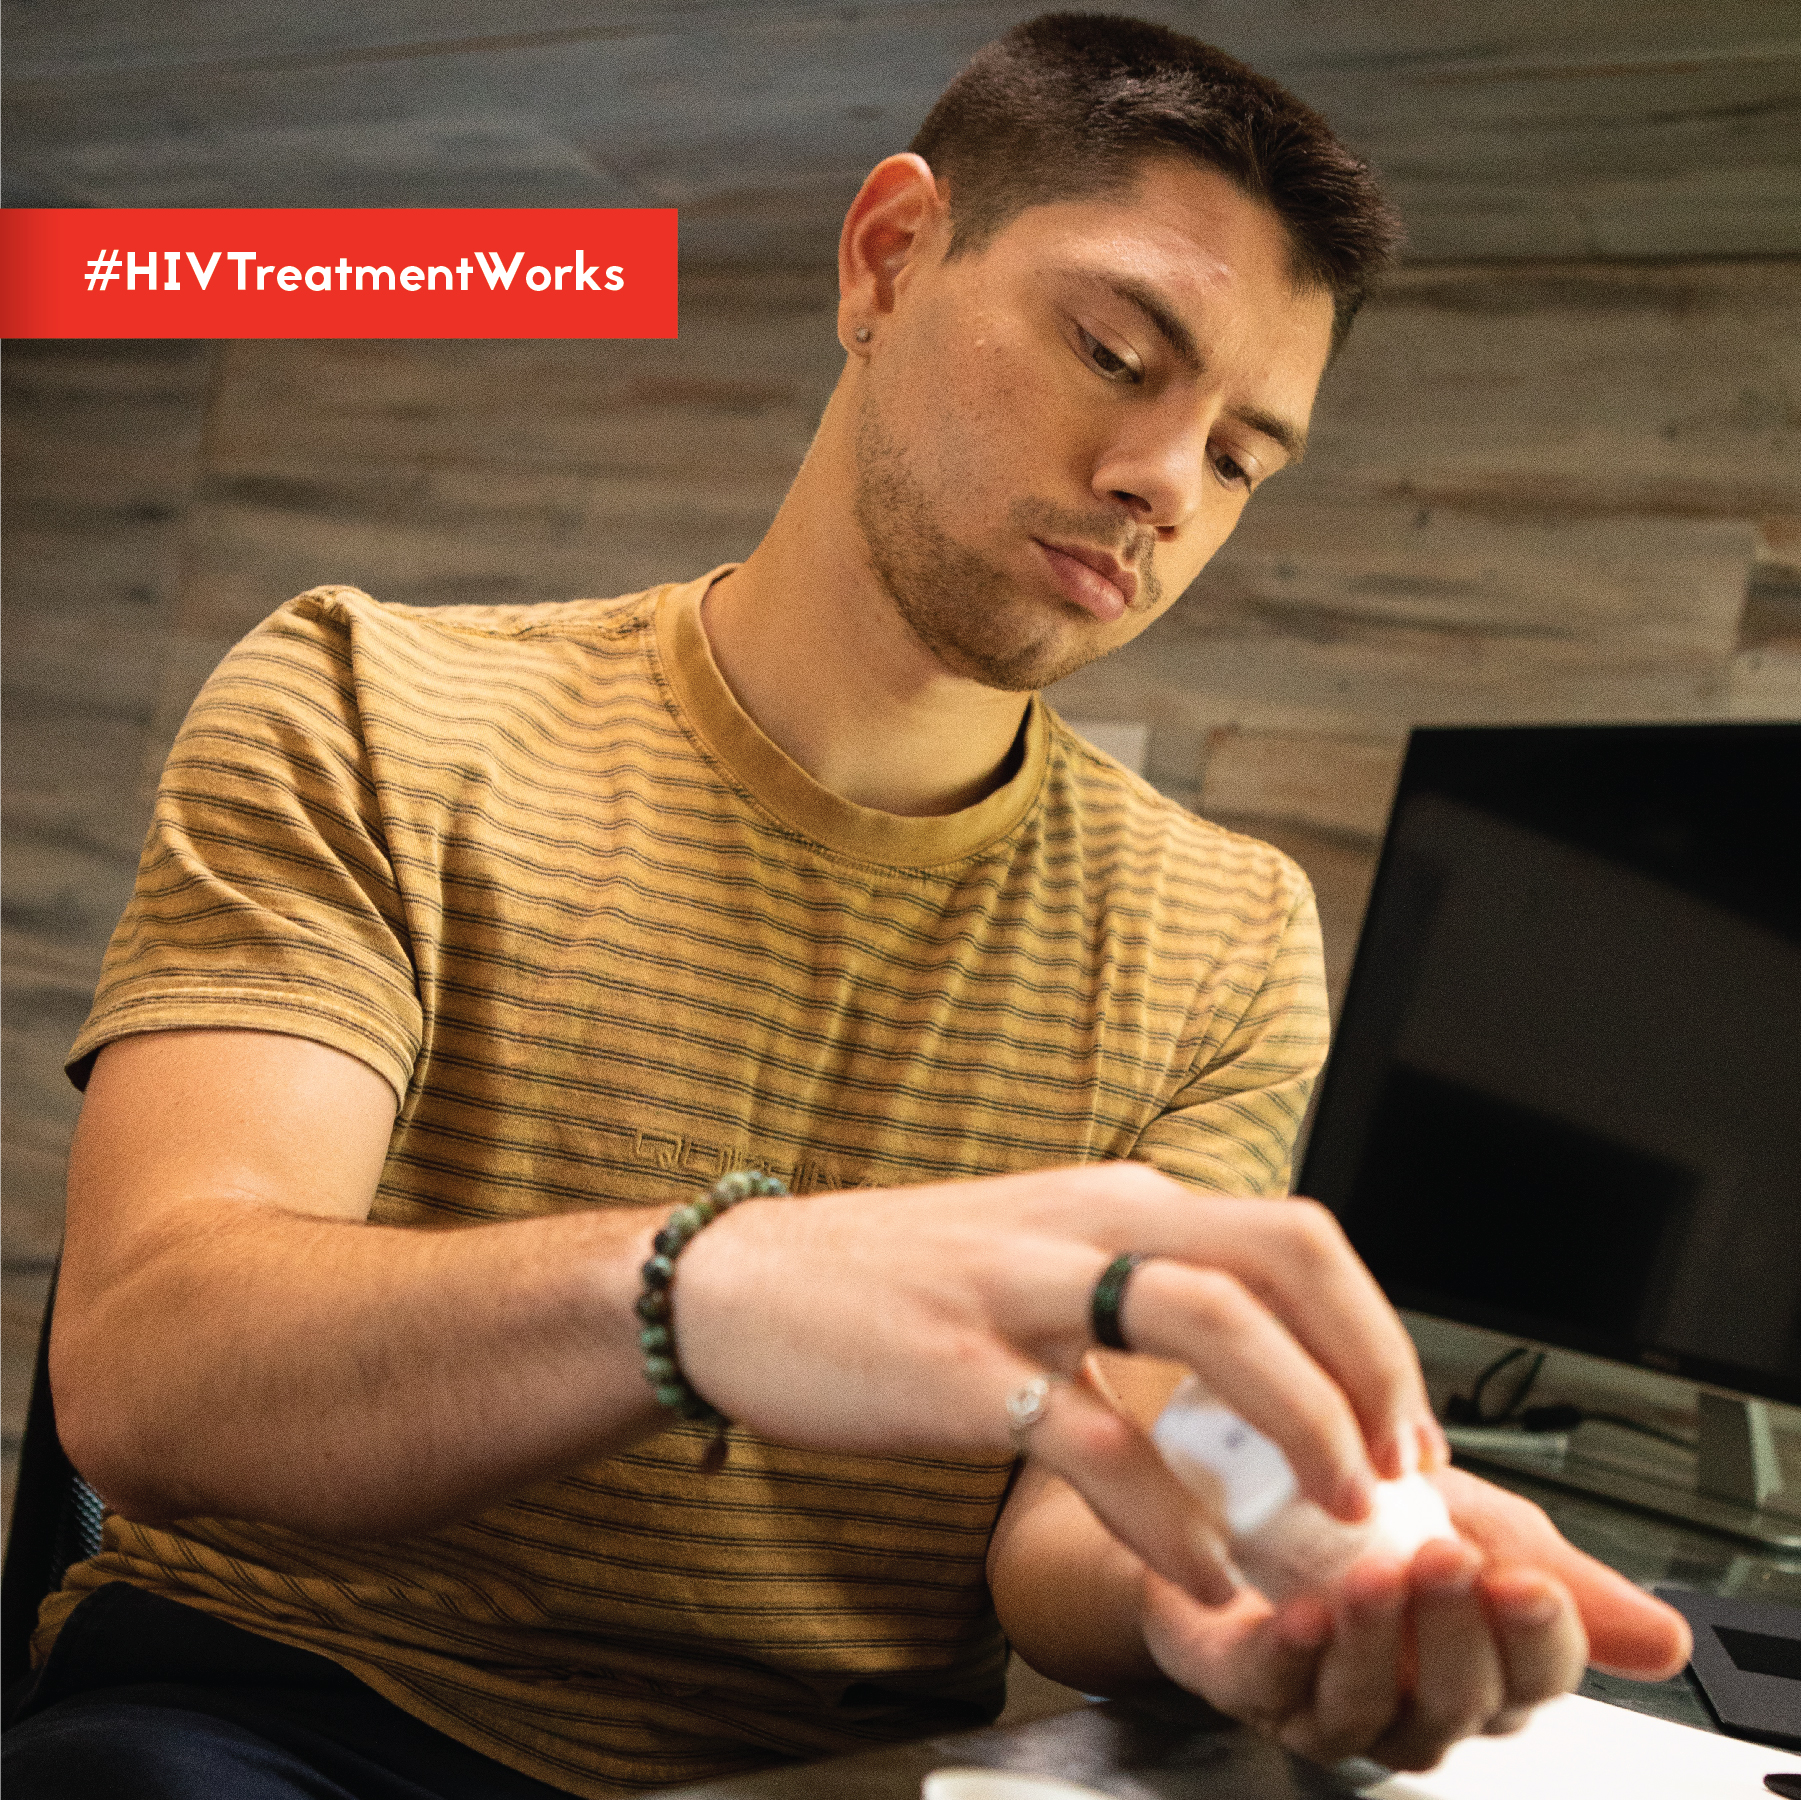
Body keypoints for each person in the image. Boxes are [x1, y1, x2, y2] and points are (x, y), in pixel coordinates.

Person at [5, 14, 1688, 1798]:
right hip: (278, 1718)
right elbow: (152, 1372)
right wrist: (700, 1294)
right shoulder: (368, 702)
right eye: (1118, 351)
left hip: (823, 1776)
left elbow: (1068, 1516)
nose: (1165, 484)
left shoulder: (1220, 937)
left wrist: (1232, 1590)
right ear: (888, 258)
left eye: (1245, 459)